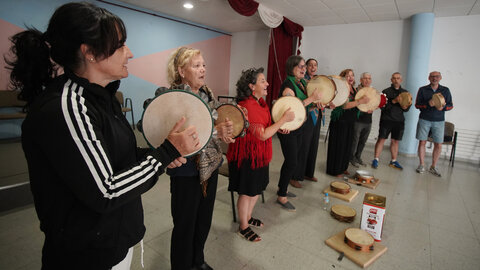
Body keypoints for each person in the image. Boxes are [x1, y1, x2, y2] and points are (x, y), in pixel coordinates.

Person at [5, 2, 199, 269]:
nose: (129, 53)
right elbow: (106, 191)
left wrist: (160, 156)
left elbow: (116, 158)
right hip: (87, 255)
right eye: (120, 45)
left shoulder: (103, 97)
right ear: (90, 53)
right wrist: (165, 153)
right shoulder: (67, 107)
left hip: (115, 241)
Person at [163, 46, 234, 270]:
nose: (203, 69)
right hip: (186, 171)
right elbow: (188, 132)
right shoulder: (172, 97)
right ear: (181, 71)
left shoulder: (207, 93)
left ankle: (197, 261)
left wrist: (224, 129)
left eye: (203, 65)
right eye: (196, 65)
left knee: (203, 221)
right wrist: (216, 130)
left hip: (210, 166)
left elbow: (211, 124)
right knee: (185, 225)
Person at [227, 67, 294, 242]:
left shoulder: (261, 104)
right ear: (251, 86)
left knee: (256, 189)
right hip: (247, 157)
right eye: (262, 81)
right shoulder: (247, 106)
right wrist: (282, 121)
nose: (267, 84)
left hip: (259, 156)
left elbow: (268, 128)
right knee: (247, 192)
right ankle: (243, 227)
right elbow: (262, 134)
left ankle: (247, 218)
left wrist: (280, 126)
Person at [276, 55, 321, 211]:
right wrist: (312, 98)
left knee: (291, 160)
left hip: (300, 126)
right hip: (288, 129)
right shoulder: (288, 86)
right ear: (292, 68)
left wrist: (316, 103)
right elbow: (293, 106)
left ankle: (283, 188)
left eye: (304, 66)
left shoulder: (301, 82)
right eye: (300, 66)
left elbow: (307, 103)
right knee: (292, 161)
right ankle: (281, 195)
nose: (304, 69)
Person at [326, 69, 369, 177]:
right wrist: (360, 102)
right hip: (340, 121)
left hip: (350, 121)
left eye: (352, 75)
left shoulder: (354, 89)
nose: (350, 77)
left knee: (347, 146)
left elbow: (357, 105)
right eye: (347, 76)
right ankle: (335, 170)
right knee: (339, 146)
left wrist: (366, 107)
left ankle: (343, 167)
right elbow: (344, 106)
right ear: (343, 77)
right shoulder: (341, 89)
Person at [415, 71, 453, 177]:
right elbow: (417, 105)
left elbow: (450, 105)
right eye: (432, 76)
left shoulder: (445, 90)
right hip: (424, 119)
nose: (434, 78)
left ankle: (433, 166)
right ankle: (421, 165)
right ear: (429, 78)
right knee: (422, 142)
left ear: (440, 78)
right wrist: (428, 104)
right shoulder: (422, 89)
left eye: (436, 76)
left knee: (438, 144)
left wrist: (443, 107)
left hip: (439, 121)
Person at [372, 72, 411, 170]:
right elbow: (382, 107)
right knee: (381, 139)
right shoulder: (386, 91)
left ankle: (393, 161)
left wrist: (403, 105)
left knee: (395, 141)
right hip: (387, 120)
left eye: (398, 78)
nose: (396, 80)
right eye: (394, 78)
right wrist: (394, 101)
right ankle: (376, 159)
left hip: (399, 121)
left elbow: (406, 109)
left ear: (401, 80)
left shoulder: (405, 93)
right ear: (391, 80)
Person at [304, 58, 323, 182]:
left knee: (314, 145)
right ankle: (298, 174)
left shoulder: (319, 80)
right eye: (310, 65)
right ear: (305, 67)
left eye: (315, 65)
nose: (313, 67)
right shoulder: (302, 80)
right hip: (307, 115)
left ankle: (309, 173)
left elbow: (325, 95)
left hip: (318, 114)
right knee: (304, 146)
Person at [350, 72, 374, 167]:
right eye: (365, 78)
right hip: (358, 120)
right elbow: (353, 105)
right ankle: (351, 158)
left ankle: (358, 157)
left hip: (368, 120)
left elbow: (375, 103)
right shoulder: (356, 91)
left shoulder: (372, 92)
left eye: (369, 78)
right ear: (361, 80)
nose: (367, 80)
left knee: (363, 141)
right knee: (355, 141)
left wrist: (374, 107)